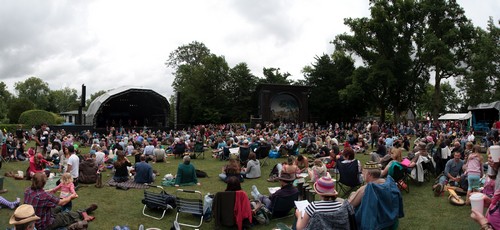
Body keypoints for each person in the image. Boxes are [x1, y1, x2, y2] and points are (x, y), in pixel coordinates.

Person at [24, 173, 97, 230]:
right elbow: (62, 202)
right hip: (44, 225)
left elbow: (40, 193)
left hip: (33, 220)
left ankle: (83, 212)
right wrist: (71, 197)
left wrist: (51, 191)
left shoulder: (27, 190)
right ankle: (83, 212)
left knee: (58, 208)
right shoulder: (45, 196)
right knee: (66, 215)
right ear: (44, 183)